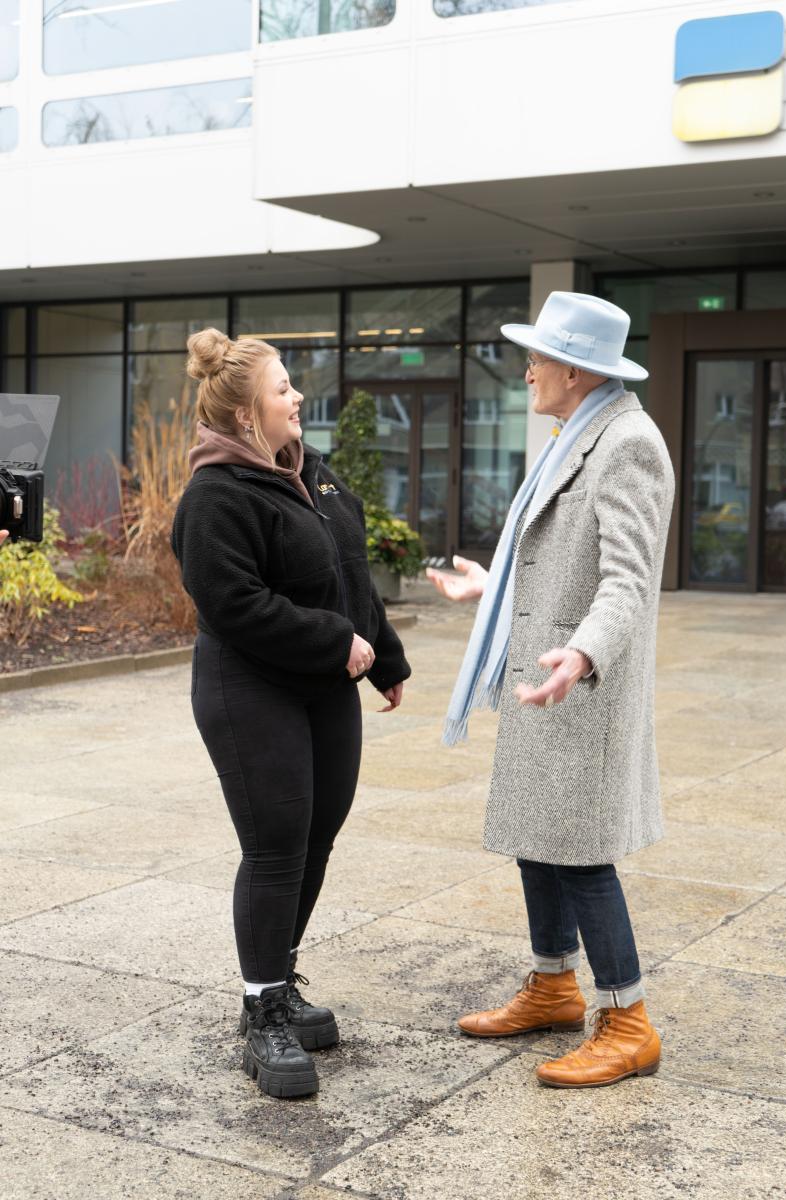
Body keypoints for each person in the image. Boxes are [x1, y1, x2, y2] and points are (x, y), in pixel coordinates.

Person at [428, 291, 674, 1089]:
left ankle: (628, 1022)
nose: (528, 370)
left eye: (537, 357)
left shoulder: (628, 443)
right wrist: (491, 589)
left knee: (582, 857)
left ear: (573, 368)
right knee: (538, 842)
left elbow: (628, 580)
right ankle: (553, 986)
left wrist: (582, 653)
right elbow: (560, 557)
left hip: (580, 689)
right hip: (547, 679)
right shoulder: (581, 432)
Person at [172, 329, 410, 1100]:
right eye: (283, 388)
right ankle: (262, 1010)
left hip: (326, 686)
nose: (298, 396)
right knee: (276, 846)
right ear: (246, 414)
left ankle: (280, 975)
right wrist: (335, 641)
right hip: (250, 685)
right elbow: (234, 605)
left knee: (316, 839)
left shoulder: (313, 474)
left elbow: (351, 574)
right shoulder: (215, 496)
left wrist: (385, 656)